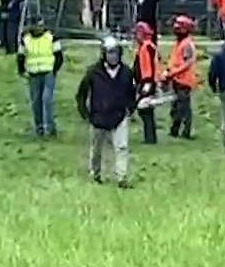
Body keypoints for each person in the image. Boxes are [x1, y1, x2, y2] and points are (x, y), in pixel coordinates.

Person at [76, 36, 137, 188]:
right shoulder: (93, 72)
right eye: (109, 53)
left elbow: (132, 93)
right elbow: (81, 93)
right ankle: (95, 174)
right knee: (96, 149)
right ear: (103, 54)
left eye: (115, 52)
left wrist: (131, 108)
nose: (113, 56)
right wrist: (85, 112)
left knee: (122, 147)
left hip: (119, 115)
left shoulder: (126, 72)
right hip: (98, 117)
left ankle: (122, 178)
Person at [16, 15, 63, 137]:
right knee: (36, 101)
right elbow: (21, 56)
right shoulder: (25, 39)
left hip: (48, 73)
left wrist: (54, 70)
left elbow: (59, 56)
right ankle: (39, 127)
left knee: (46, 100)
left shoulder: (51, 38)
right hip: (33, 74)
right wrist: (22, 70)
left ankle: (50, 127)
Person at [164, 15, 198, 139]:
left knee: (182, 108)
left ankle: (185, 131)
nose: (175, 30)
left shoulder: (187, 44)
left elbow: (187, 63)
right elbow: (174, 60)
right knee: (176, 107)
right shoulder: (179, 43)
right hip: (177, 79)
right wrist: (168, 71)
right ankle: (175, 130)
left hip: (184, 81)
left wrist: (173, 72)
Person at [131, 21, 162, 144]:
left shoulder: (146, 47)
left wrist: (146, 83)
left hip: (146, 82)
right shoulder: (149, 46)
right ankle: (150, 137)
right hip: (147, 81)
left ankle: (150, 138)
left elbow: (147, 67)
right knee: (146, 111)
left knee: (145, 111)